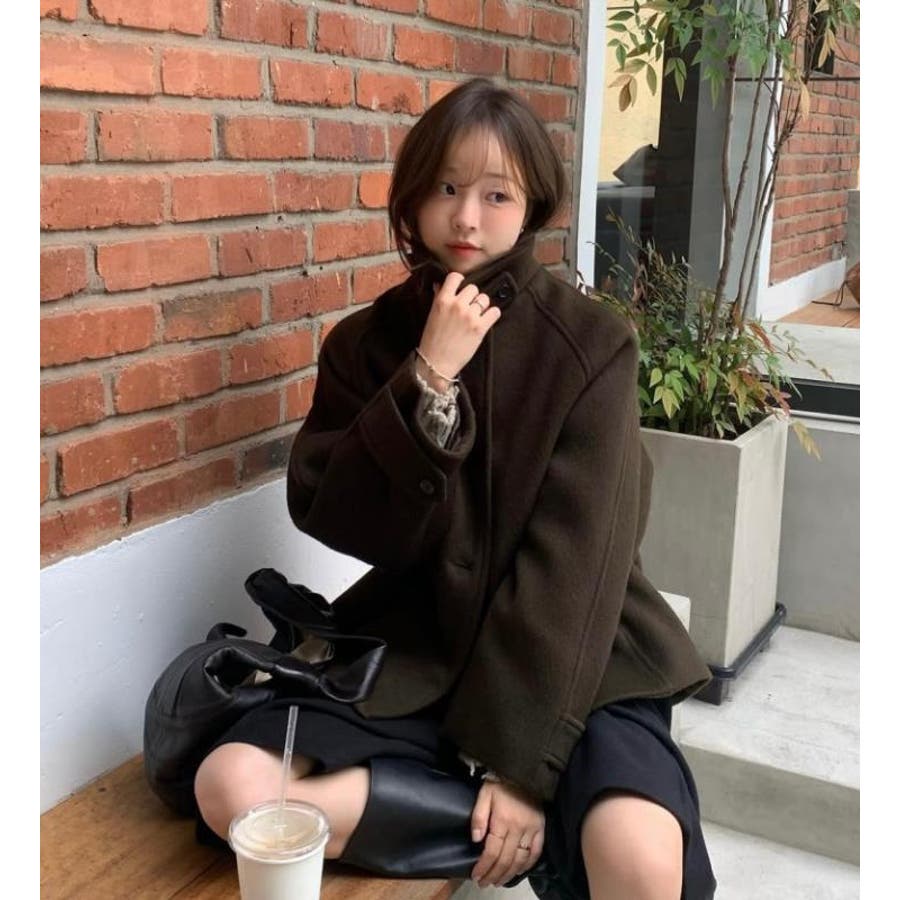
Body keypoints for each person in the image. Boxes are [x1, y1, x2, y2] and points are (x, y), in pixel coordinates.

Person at [194, 77, 717, 900]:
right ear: (412, 197)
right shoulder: (366, 344)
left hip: (575, 652)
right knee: (231, 787)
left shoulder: (591, 346)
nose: (467, 218)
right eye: (445, 188)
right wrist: (427, 379)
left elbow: (577, 562)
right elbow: (336, 514)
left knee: (642, 860)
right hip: (417, 641)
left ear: (533, 204)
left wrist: (522, 765)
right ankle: (518, 836)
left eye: (496, 194)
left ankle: (527, 819)